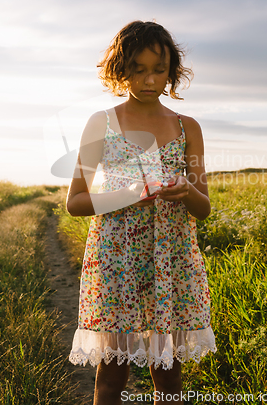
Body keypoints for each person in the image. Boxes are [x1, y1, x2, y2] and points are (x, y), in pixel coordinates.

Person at [66, 21, 217, 405]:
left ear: (172, 72)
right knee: (111, 379)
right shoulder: (102, 123)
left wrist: (185, 192)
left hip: (172, 264)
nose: (149, 80)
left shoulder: (187, 127)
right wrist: (128, 195)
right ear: (122, 69)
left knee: (168, 380)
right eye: (139, 69)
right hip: (117, 262)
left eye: (159, 70)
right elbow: (76, 202)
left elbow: (204, 208)